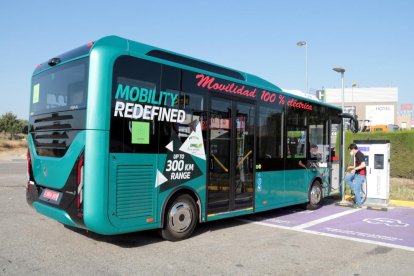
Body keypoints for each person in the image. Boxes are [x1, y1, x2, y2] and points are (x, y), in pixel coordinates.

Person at [345, 143, 366, 208]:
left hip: (360, 174)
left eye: (350, 151)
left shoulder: (359, 154)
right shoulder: (356, 155)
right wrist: (352, 167)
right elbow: (358, 164)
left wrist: (354, 169)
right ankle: (355, 189)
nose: (350, 152)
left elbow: (363, 165)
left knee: (356, 190)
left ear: (353, 149)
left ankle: (359, 204)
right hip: (357, 173)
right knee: (347, 178)